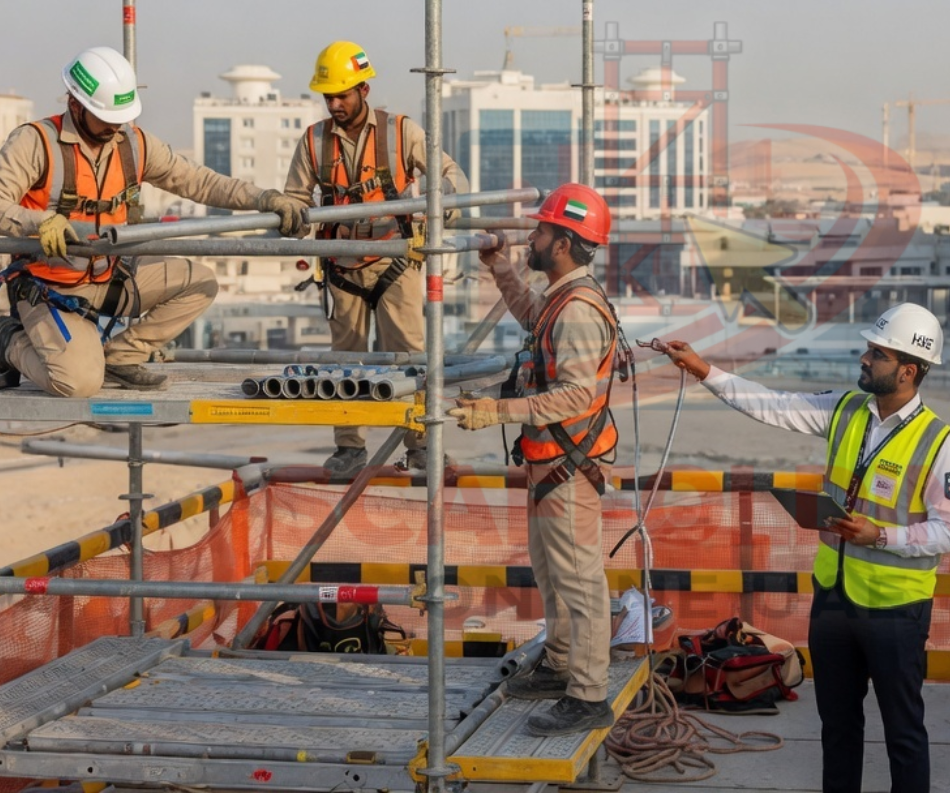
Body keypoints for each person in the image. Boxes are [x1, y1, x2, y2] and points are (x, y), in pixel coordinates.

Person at [660, 303, 950, 793]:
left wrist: (881, 535)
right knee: (837, 729)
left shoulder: (941, 443)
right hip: (834, 601)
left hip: (895, 611)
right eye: (868, 349)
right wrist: (703, 370)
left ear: (908, 370)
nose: (865, 358)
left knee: (903, 734)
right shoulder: (844, 411)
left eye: (877, 353)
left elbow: (948, 533)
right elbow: (771, 404)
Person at [0, 46, 308, 397]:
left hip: (109, 276)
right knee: (77, 384)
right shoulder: (35, 142)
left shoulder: (133, 144)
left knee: (201, 283)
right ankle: (7, 339)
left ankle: (120, 357)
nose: (116, 126)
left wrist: (264, 199)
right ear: (75, 105)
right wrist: (37, 222)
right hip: (50, 289)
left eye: (121, 117)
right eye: (106, 117)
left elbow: (200, 182)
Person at [448, 183, 621, 737]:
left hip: (568, 467)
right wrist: (501, 267)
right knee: (554, 576)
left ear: (564, 242)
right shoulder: (561, 301)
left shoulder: (576, 312)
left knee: (580, 581)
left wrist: (496, 412)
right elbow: (531, 319)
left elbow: (576, 396)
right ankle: (563, 664)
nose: (533, 236)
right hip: (553, 466)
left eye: (542, 230)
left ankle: (589, 694)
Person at [283, 41, 469, 479]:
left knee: (410, 357)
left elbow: (450, 175)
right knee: (344, 361)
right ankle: (349, 447)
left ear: (363, 90)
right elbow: (294, 199)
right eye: (328, 96)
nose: (334, 104)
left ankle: (422, 443)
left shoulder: (400, 133)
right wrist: (292, 220)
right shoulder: (313, 141)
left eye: (342, 95)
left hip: (394, 263)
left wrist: (442, 206)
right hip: (341, 265)